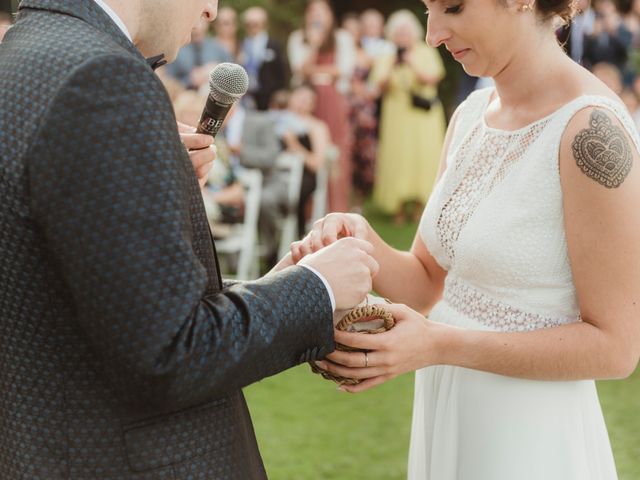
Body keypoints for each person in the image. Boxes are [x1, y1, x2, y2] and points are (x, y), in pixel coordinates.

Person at [0, 0, 379, 478]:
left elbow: (99, 301)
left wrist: (150, 177)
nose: (211, 9)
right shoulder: (102, 78)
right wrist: (316, 288)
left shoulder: (23, 50)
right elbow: (169, 355)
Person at [292, 0, 640, 478]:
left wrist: (439, 344)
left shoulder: (593, 133)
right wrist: (361, 238)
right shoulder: (471, 113)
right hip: (449, 406)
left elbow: (617, 348)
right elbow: (425, 283)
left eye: (453, 7)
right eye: (428, 9)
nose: (433, 34)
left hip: (529, 431)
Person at [370, 10, 446, 224]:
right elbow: (378, 86)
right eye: (398, 33)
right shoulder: (387, 57)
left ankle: (422, 207)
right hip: (397, 116)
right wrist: (394, 65)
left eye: (406, 32)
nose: (402, 37)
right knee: (398, 158)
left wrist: (411, 63)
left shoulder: (425, 52)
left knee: (423, 157)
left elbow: (432, 78)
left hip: (423, 116)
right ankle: (398, 207)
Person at [288, 0, 356, 213]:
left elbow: (343, 70)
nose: (317, 16)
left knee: (336, 151)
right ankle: (307, 209)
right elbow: (300, 69)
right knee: (310, 145)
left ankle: (336, 207)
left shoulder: (343, 38)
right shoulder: (298, 39)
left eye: (322, 11)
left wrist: (315, 71)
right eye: (313, 11)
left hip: (333, 102)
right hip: (309, 100)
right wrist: (314, 45)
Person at [239, 6, 289, 111]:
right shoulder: (241, 45)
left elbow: (283, 70)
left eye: (256, 24)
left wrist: (282, 91)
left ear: (264, 24)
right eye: (249, 24)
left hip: (269, 98)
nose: (252, 27)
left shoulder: (274, 45)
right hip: (246, 97)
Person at [163, 16, 232, 90]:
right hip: (185, 98)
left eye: (201, 21)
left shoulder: (218, 48)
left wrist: (216, 74)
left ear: (207, 22)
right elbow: (168, 83)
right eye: (194, 22)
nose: (198, 27)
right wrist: (190, 80)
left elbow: (233, 79)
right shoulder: (177, 51)